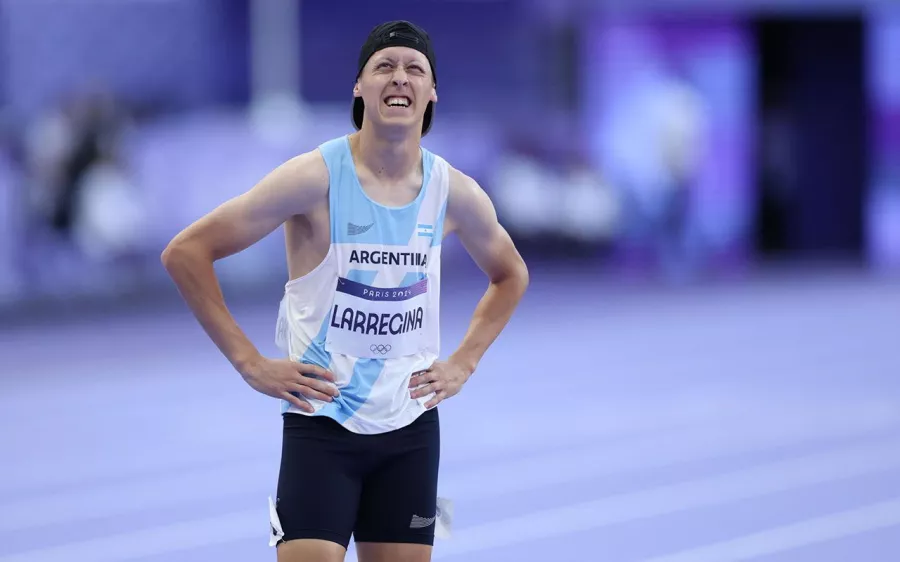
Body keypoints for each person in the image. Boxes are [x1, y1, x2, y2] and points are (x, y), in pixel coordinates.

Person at [161, 20, 529, 562]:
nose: (399, 78)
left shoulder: (455, 192)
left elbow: (511, 274)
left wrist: (463, 363)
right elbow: (186, 252)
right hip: (322, 430)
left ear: (432, 93)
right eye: (384, 66)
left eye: (414, 69)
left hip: (411, 431)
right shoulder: (313, 178)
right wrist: (250, 363)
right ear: (359, 87)